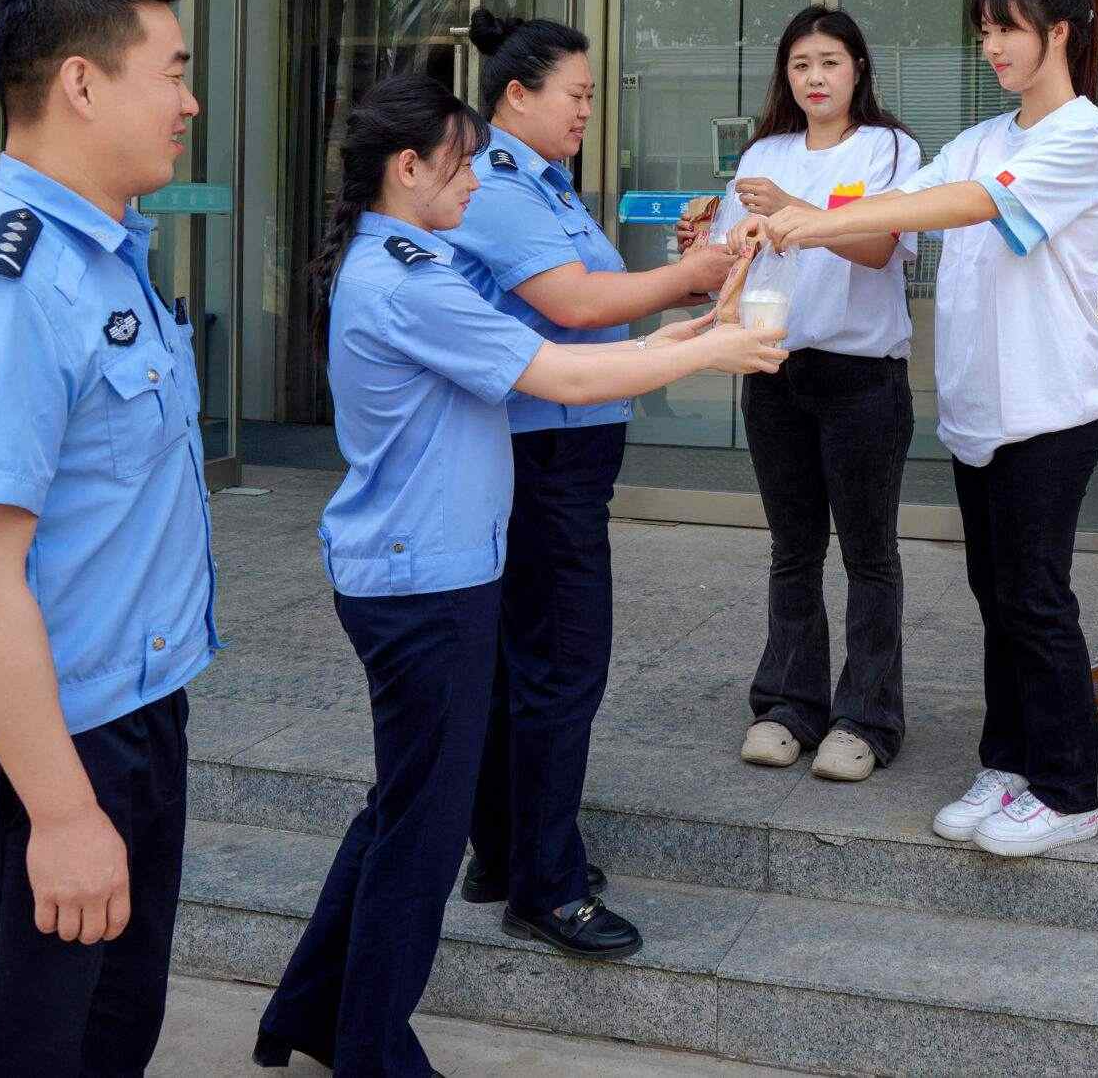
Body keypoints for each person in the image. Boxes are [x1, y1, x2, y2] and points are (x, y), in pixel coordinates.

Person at [257, 74, 781, 1074]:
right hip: (423, 584)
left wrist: (687, 329)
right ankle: (370, 1045)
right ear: (405, 171)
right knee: (423, 825)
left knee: (401, 805)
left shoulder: (409, 259)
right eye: (460, 168)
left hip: (429, 570)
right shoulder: (408, 278)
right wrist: (711, 352)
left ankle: (309, 1011)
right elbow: (565, 374)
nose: (474, 186)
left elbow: (563, 353)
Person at [0, 0, 219, 1076]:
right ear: (81, 83)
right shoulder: (8, 288)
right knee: (24, 1053)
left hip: (123, 717)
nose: (188, 101)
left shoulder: (106, 259)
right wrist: (66, 818)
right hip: (35, 757)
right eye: (171, 72)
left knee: (103, 1042)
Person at [764, 0, 1098, 859]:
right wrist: (781, 212)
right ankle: (1008, 763)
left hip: (1049, 409)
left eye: (1008, 28)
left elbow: (966, 205)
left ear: (1060, 35)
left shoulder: (1083, 136)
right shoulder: (981, 135)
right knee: (996, 597)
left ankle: (1069, 788)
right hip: (979, 413)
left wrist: (811, 218)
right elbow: (899, 202)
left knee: (1038, 602)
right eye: (986, 30)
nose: (993, 45)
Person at [443, 11, 740, 957]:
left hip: (561, 450)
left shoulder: (544, 184)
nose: (585, 112)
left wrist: (686, 277)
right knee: (563, 666)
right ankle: (547, 884)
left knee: (526, 659)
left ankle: (509, 848)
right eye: (574, 95)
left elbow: (593, 293)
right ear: (516, 95)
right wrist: (685, 274)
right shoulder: (496, 184)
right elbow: (570, 301)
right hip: (543, 456)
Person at [697, 6, 921, 783]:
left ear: (858, 68)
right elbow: (734, 255)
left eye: (830, 61)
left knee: (869, 554)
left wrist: (797, 211)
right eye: (800, 64)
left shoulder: (891, 148)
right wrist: (715, 236)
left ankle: (867, 716)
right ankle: (788, 705)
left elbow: (880, 244)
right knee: (792, 549)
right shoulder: (763, 152)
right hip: (775, 367)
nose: (815, 77)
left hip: (862, 376)